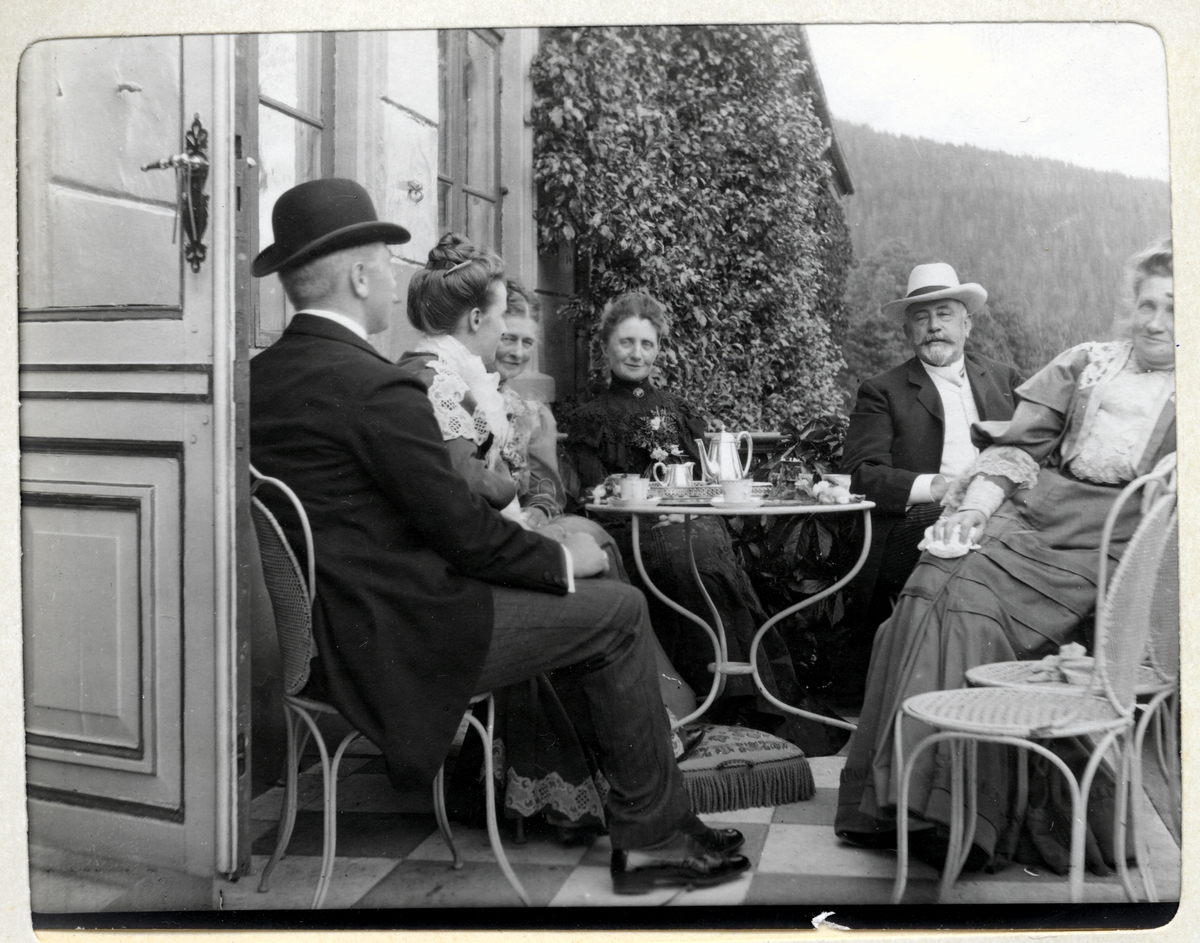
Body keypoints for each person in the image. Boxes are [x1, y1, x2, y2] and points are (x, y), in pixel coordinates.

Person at [248, 178, 748, 893]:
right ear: (360, 276)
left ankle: (594, 796)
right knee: (616, 610)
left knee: (585, 601)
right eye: (388, 262)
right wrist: (558, 558)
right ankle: (652, 833)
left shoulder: (258, 380)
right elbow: (465, 534)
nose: (395, 276)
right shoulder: (376, 386)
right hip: (407, 638)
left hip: (330, 637)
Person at [834, 238, 1176, 875]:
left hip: (1114, 543)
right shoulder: (1090, 363)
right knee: (932, 580)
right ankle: (897, 802)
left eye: (1175, 309)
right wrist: (971, 509)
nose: (1155, 322)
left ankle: (963, 813)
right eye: (1146, 304)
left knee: (969, 609)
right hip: (1029, 513)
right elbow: (1017, 449)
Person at [563, 291, 847, 756]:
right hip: (628, 530)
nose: (637, 353)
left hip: (690, 520)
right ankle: (714, 695)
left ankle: (744, 695)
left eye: (647, 344)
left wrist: (687, 504)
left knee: (708, 556)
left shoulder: (677, 410)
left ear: (659, 350)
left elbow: (706, 481)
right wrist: (656, 504)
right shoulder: (588, 418)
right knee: (682, 559)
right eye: (626, 342)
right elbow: (596, 493)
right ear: (606, 347)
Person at [838, 263, 1024, 696]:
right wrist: (936, 487)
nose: (933, 327)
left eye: (944, 314)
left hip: (997, 512)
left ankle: (1009, 690)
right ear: (908, 331)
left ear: (967, 323)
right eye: (921, 318)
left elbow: (1033, 450)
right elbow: (862, 474)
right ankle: (961, 691)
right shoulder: (882, 389)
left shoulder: (1004, 379)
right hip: (914, 522)